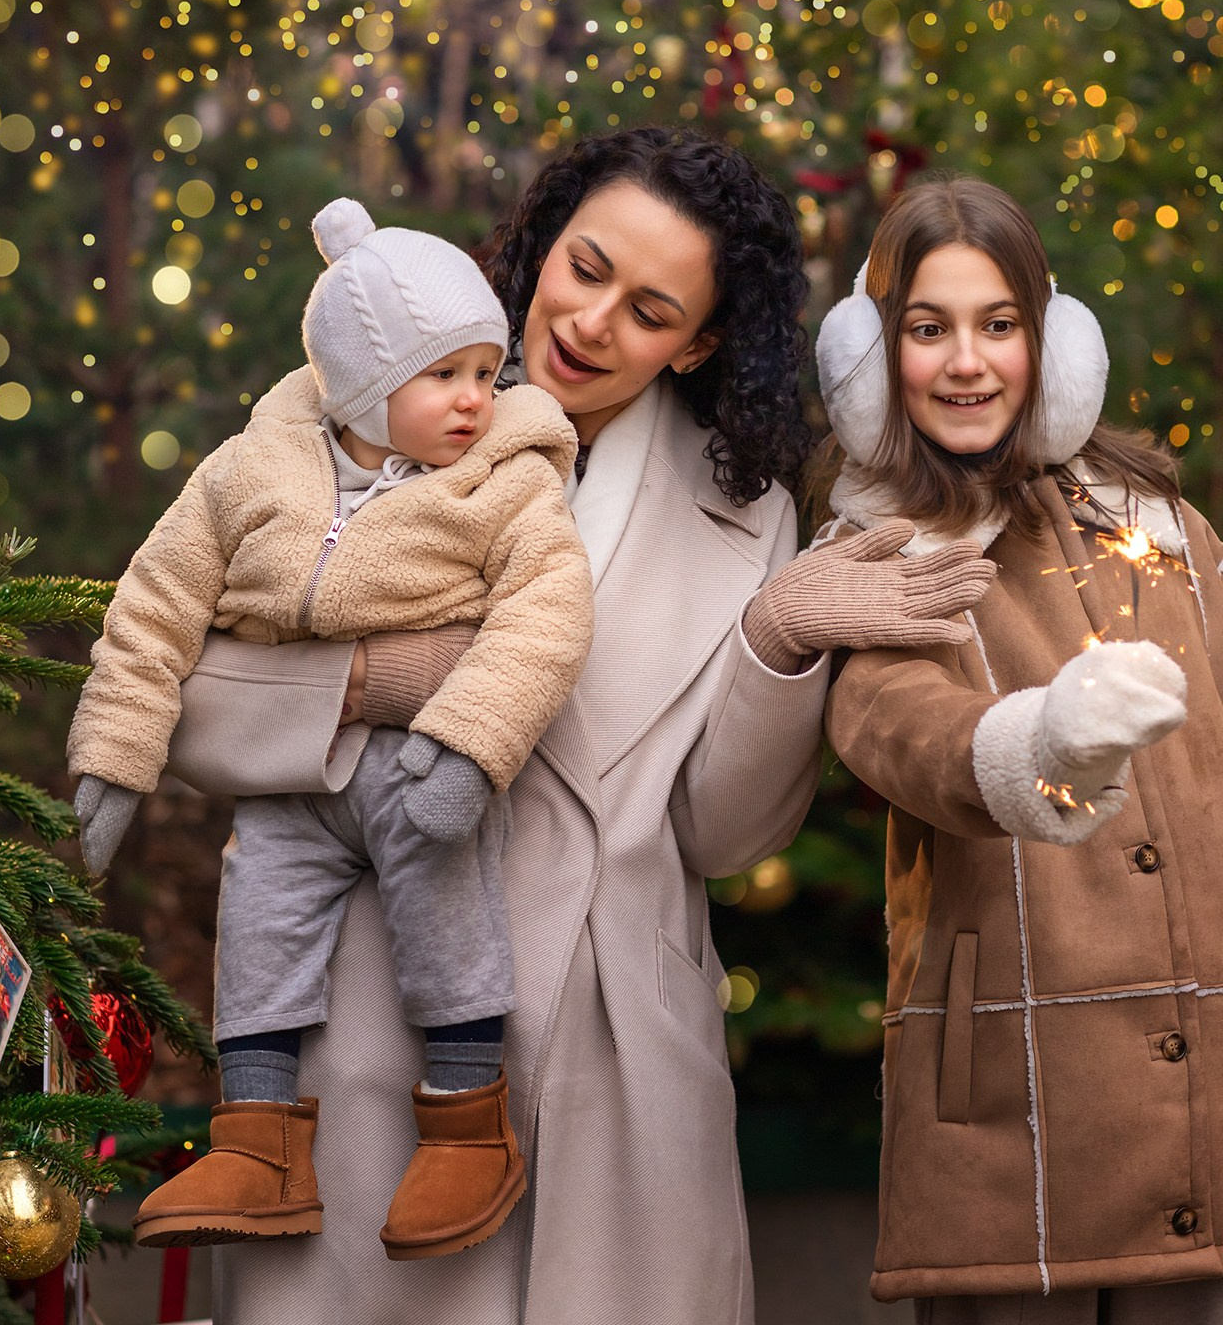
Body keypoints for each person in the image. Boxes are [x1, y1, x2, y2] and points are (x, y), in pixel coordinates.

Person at [108, 126, 994, 1323]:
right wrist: (378, 677)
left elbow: (722, 836)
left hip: (614, 1064)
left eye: (649, 309)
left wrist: (771, 641)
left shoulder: (748, 516)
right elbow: (189, 698)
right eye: (584, 269)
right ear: (536, 249)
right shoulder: (345, 425)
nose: (589, 323)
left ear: (700, 342)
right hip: (377, 1026)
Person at [815, 175, 1223, 1323]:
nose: (965, 363)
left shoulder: (1167, 535)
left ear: (1051, 344)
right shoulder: (874, 552)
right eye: (925, 329)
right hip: (1014, 1121)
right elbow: (893, 729)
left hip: (1214, 1103)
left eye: (997, 325)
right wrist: (1036, 743)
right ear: (868, 359)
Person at [67, 199, 594, 1260]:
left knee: (447, 912)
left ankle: (465, 1124)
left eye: (486, 374)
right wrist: (115, 759)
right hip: (287, 779)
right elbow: (154, 604)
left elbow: (547, 611)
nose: (472, 402)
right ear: (360, 382)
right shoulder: (245, 473)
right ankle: (257, 1143)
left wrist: (468, 744)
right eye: (442, 375)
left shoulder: (506, 480)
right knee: (257, 918)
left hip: (418, 758)